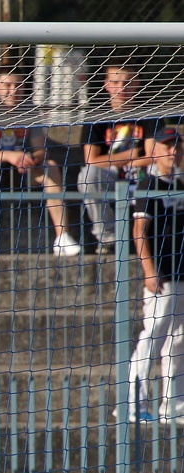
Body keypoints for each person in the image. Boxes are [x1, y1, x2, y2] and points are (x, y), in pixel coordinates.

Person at [0, 68, 81, 257]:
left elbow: (40, 149)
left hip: (22, 172)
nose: (13, 90)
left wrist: (31, 159)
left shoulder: (30, 110)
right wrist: (8, 156)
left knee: (50, 166)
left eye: (18, 85)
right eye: (7, 85)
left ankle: (62, 237)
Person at [125, 126, 184, 424]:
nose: (173, 151)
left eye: (177, 145)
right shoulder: (150, 183)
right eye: (167, 145)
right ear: (155, 150)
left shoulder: (181, 182)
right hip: (163, 273)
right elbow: (139, 232)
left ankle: (173, 406)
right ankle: (134, 404)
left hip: (181, 271)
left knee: (178, 339)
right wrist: (149, 269)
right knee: (153, 335)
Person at [78, 64, 163, 255]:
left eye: (128, 82)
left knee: (160, 171)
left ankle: (155, 234)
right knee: (88, 176)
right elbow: (91, 160)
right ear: (106, 85)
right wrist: (129, 155)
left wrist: (130, 161)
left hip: (141, 170)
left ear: (137, 84)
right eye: (116, 82)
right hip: (110, 173)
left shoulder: (150, 112)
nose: (122, 88)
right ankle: (108, 237)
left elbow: (152, 156)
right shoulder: (96, 114)